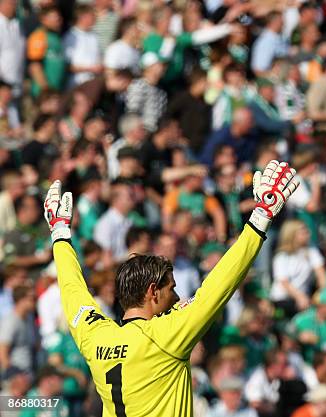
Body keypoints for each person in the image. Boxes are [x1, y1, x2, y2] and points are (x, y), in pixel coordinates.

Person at [43, 160, 299, 417]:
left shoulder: (95, 335)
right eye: (172, 288)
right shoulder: (166, 336)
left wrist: (59, 233)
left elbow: (72, 289)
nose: (177, 297)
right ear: (153, 291)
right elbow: (220, 283)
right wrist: (260, 218)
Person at [63, 5, 103, 88]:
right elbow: (67, 66)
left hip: (94, 83)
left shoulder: (94, 36)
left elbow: (98, 59)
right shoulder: (70, 36)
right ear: (82, 17)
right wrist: (90, 69)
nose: (95, 18)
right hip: (75, 84)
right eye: (92, 15)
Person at [0, 284, 36, 374]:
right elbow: (2, 352)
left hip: (29, 372)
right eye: (32, 298)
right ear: (21, 300)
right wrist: (12, 375)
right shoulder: (10, 321)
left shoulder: (29, 318)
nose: (35, 301)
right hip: (16, 376)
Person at [0, 0, 25, 97]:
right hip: (3, 87)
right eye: (11, 3)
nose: (14, 6)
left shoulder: (17, 25)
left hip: (17, 85)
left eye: (16, 3)